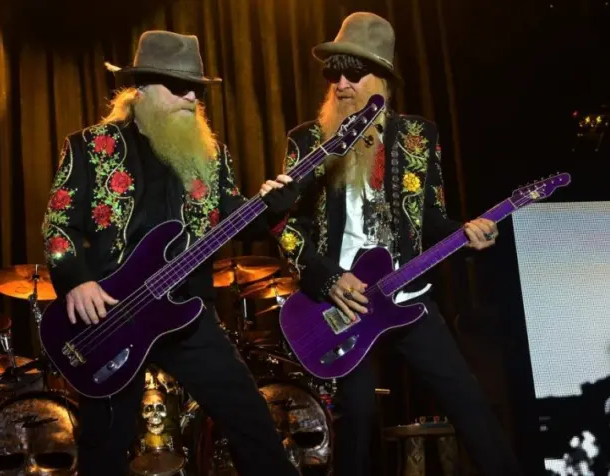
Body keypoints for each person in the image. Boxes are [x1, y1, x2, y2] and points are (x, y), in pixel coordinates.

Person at [270, 12, 523, 476]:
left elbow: (427, 217)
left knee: (468, 403)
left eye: (354, 72)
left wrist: (465, 234)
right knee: (358, 417)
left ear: (382, 78)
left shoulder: (418, 137)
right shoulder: (307, 141)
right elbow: (287, 227)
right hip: (345, 304)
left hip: (409, 297)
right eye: (333, 73)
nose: (341, 83)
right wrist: (328, 280)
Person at [41, 30, 299, 476]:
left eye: (196, 89)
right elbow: (57, 223)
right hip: (112, 317)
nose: (191, 97)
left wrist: (273, 208)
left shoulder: (212, 154)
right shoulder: (89, 146)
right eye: (178, 87)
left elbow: (236, 221)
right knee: (104, 442)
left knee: (252, 420)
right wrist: (76, 281)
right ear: (140, 87)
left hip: (187, 312)